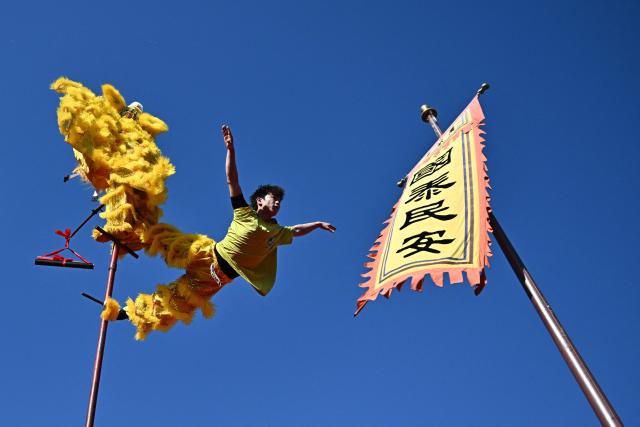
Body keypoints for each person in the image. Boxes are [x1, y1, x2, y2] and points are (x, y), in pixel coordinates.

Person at [102, 125, 336, 340]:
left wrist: (316, 224)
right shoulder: (245, 212)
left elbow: (295, 231)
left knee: (176, 303)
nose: (278, 204)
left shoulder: (276, 231)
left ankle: (125, 312)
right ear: (260, 201)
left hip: (215, 279)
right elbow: (232, 180)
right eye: (274, 199)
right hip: (207, 252)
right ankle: (127, 221)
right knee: (165, 240)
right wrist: (231, 150)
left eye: (280, 203)